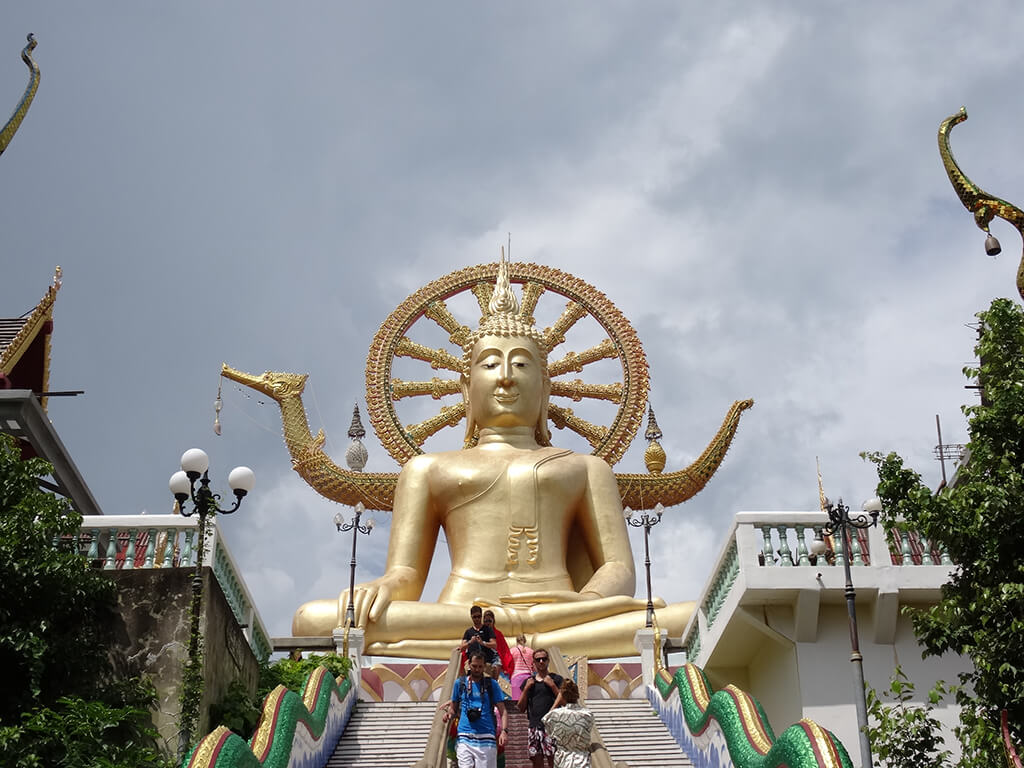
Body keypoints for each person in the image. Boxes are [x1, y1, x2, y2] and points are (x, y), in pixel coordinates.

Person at [292, 255, 693, 657]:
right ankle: (527, 635)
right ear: (466, 388)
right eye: (490, 364)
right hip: (463, 615)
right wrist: (381, 587)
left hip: (561, 610)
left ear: (545, 386)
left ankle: (523, 633)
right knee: (313, 618)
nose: (505, 375)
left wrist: (588, 600)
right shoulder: (428, 468)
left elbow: (618, 570)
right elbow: (407, 574)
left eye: (521, 363)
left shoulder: (587, 468)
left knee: (688, 616)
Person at [442, 650, 509, 768]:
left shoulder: (491, 684)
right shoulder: (460, 683)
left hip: (486, 736)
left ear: (484, 667)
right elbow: (454, 707)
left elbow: (503, 711)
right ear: (468, 665)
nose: (477, 669)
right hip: (464, 736)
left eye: (480, 666)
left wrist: (504, 731)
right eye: (474, 666)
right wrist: (448, 714)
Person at [517, 648, 562, 768]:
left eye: (544, 659)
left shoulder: (556, 679)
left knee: (554, 760)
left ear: (548, 661)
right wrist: (526, 689)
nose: (541, 661)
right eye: (538, 659)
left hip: (552, 727)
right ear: (534, 662)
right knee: (536, 761)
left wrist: (552, 686)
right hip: (534, 726)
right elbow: (520, 708)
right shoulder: (529, 682)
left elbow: (564, 700)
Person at [542, 679, 594, 768]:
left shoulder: (555, 715)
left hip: (562, 759)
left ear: (562, 696)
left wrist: (557, 702)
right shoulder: (587, 715)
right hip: (582, 759)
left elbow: (546, 721)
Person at [461, 605, 497, 669]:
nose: (477, 619)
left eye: (479, 616)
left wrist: (483, 643)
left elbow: (494, 645)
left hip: (486, 663)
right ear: (471, 617)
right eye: (475, 617)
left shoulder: (488, 630)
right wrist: (470, 642)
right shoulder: (468, 632)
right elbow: (462, 647)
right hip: (472, 665)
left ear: (481, 616)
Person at [483, 609, 513, 677]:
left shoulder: (498, 634)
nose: (487, 623)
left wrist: (506, 667)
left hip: (496, 662)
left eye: (489, 621)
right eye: (485, 621)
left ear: (493, 621)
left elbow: (504, 651)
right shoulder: (481, 633)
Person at [509, 634, 534, 700]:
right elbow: (533, 666)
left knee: (517, 700)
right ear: (525, 641)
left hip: (516, 676)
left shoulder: (512, 650)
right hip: (529, 676)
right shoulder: (531, 651)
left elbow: (508, 663)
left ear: (516, 641)